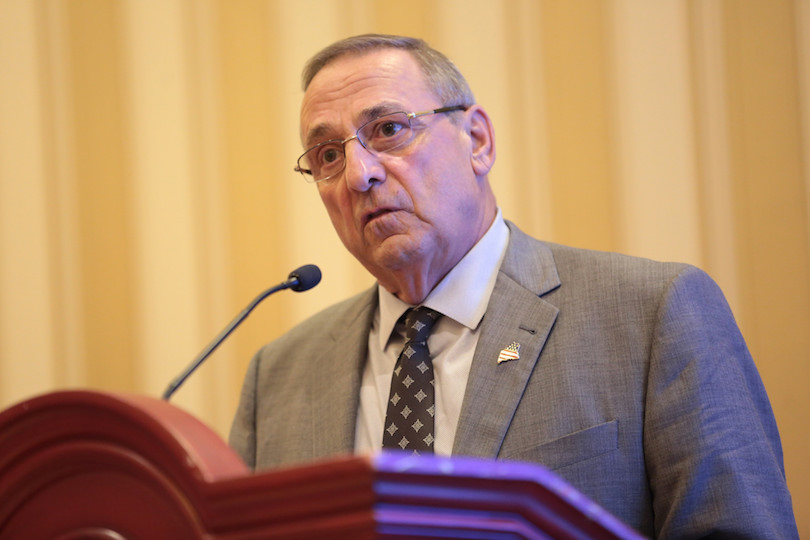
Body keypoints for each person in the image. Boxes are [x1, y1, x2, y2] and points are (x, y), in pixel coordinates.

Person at [229, 34, 798, 537]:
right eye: (329, 155)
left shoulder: (651, 316)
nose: (360, 174)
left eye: (389, 130)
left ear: (477, 140)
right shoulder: (276, 379)